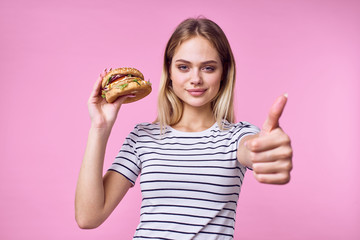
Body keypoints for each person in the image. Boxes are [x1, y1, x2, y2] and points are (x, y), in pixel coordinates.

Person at [75, 17, 293, 239]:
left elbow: (253, 148)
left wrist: (266, 150)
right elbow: (88, 217)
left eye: (208, 68)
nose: (195, 79)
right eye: (183, 67)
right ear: (169, 72)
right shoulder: (143, 136)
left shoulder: (237, 137)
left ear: (224, 73)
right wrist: (99, 127)